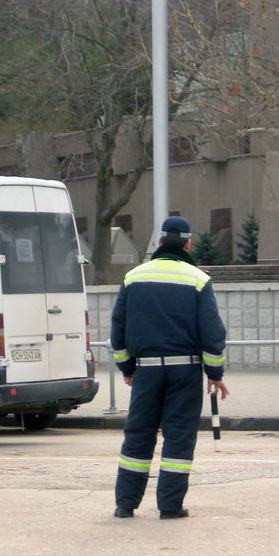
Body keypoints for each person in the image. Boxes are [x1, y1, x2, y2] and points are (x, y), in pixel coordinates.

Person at [110, 216, 229, 520]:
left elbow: (118, 329)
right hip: (185, 372)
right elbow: (213, 334)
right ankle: (170, 506)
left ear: (159, 242)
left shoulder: (133, 277)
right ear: (188, 243)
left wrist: (126, 366)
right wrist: (215, 374)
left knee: (138, 434)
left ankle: (126, 503)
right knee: (178, 436)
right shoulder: (198, 279)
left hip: (146, 371)